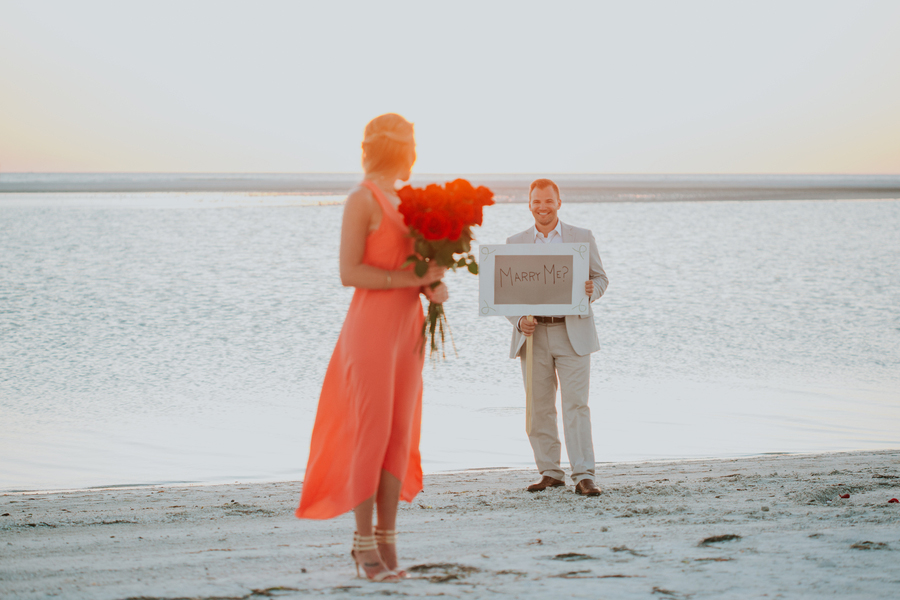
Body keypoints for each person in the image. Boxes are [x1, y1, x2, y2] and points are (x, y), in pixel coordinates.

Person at [296, 113, 448, 582]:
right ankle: (363, 547)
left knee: (400, 434)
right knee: (372, 431)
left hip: (409, 328)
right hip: (371, 330)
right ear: (403, 151)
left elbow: (422, 268)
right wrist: (414, 278)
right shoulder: (362, 199)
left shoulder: (411, 203)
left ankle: (388, 541)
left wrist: (433, 287)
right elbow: (350, 273)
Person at [506, 178, 608, 496]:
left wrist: (592, 291)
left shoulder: (582, 237)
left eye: (548, 201)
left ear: (559, 202)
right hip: (533, 334)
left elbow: (600, 278)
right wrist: (519, 320)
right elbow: (505, 293)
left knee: (576, 405)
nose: (542, 207)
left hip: (572, 331)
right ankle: (550, 472)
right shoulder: (515, 243)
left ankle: (584, 475)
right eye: (536, 201)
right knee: (538, 407)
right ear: (529, 204)